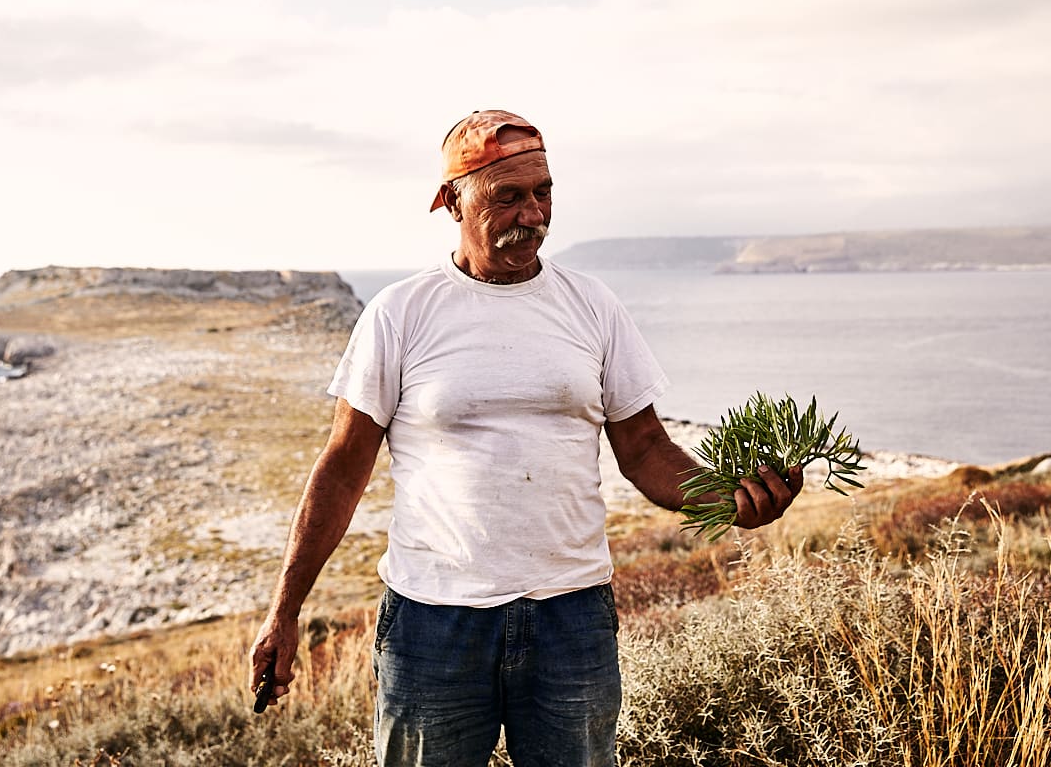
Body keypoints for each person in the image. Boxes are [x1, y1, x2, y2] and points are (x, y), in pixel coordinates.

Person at [250, 110, 803, 766]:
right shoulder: (400, 314)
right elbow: (342, 469)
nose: (533, 214)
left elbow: (646, 448)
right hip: (434, 620)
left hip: (572, 618)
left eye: (543, 192)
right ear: (453, 201)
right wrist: (284, 612)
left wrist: (725, 499)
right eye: (507, 196)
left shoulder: (592, 306)